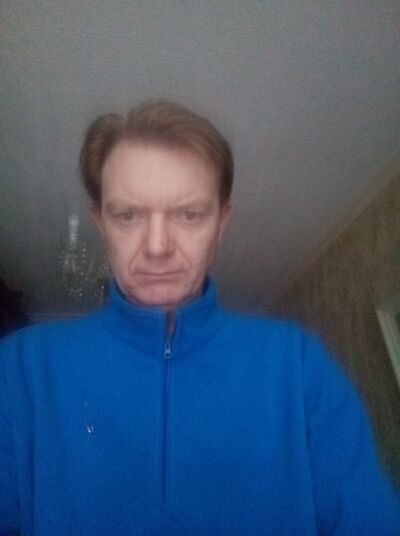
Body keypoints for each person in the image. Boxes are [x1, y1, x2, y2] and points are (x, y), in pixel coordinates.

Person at [0, 100, 399, 536]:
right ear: (101, 222)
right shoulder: (21, 369)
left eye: (189, 215)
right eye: (128, 215)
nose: (157, 247)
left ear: (221, 223)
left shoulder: (298, 365)